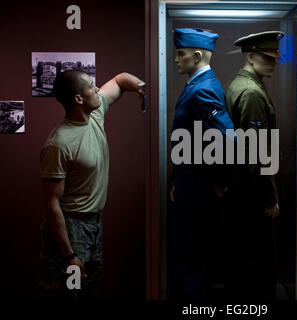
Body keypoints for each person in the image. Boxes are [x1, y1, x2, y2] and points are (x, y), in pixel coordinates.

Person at [36, 70, 145, 299]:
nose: (98, 89)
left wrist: (141, 86)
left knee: (90, 288)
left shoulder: (94, 115)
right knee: (72, 291)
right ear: (79, 99)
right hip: (72, 228)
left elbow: (120, 80)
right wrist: (68, 254)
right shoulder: (59, 143)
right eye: (92, 86)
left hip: (93, 224)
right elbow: (52, 203)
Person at [169, 28, 234, 300]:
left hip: (197, 187)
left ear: (196, 56)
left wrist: (220, 181)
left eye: (180, 54)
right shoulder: (198, 84)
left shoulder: (203, 89)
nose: (175, 60)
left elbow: (229, 138)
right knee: (193, 251)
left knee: (190, 252)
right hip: (189, 182)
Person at [225, 31, 283, 300]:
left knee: (242, 254)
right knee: (254, 258)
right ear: (250, 57)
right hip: (250, 189)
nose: (274, 62)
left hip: (240, 186)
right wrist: (269, 196)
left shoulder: (240, 84)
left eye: (274, 58)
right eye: (267, 57)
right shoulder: (252, 93)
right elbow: (256, 153)